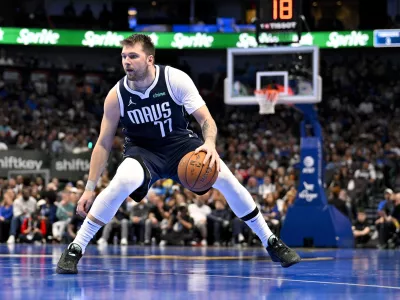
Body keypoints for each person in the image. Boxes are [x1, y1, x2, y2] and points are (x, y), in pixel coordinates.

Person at [56, 34, 300, 274]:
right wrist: (89, 187)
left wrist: (211, 145)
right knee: (122, 181)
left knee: (226, 178)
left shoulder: (174, 79)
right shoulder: (116, 95)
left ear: (150, 59)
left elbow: (206, 120)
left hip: (180, 144)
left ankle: (270, 241)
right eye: (123, 57)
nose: (126, 62)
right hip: (144, 151)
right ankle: (76, 247)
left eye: (133, 56)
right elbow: (102, 143)